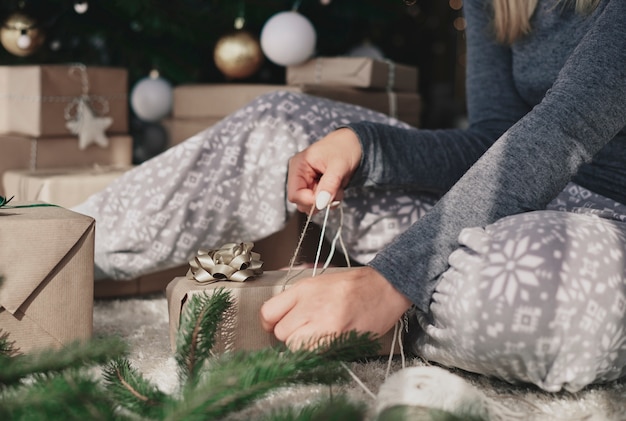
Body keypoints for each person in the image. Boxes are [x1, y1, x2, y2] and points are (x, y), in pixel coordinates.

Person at [73, 0, 626, 393]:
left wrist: (394, 279)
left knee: (556, 308)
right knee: (278, 119)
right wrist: (368, 149)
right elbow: (495, 139)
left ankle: (369, 300)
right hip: (512, 197)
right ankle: (47, 253)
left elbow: (566, 128)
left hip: (604, 225)